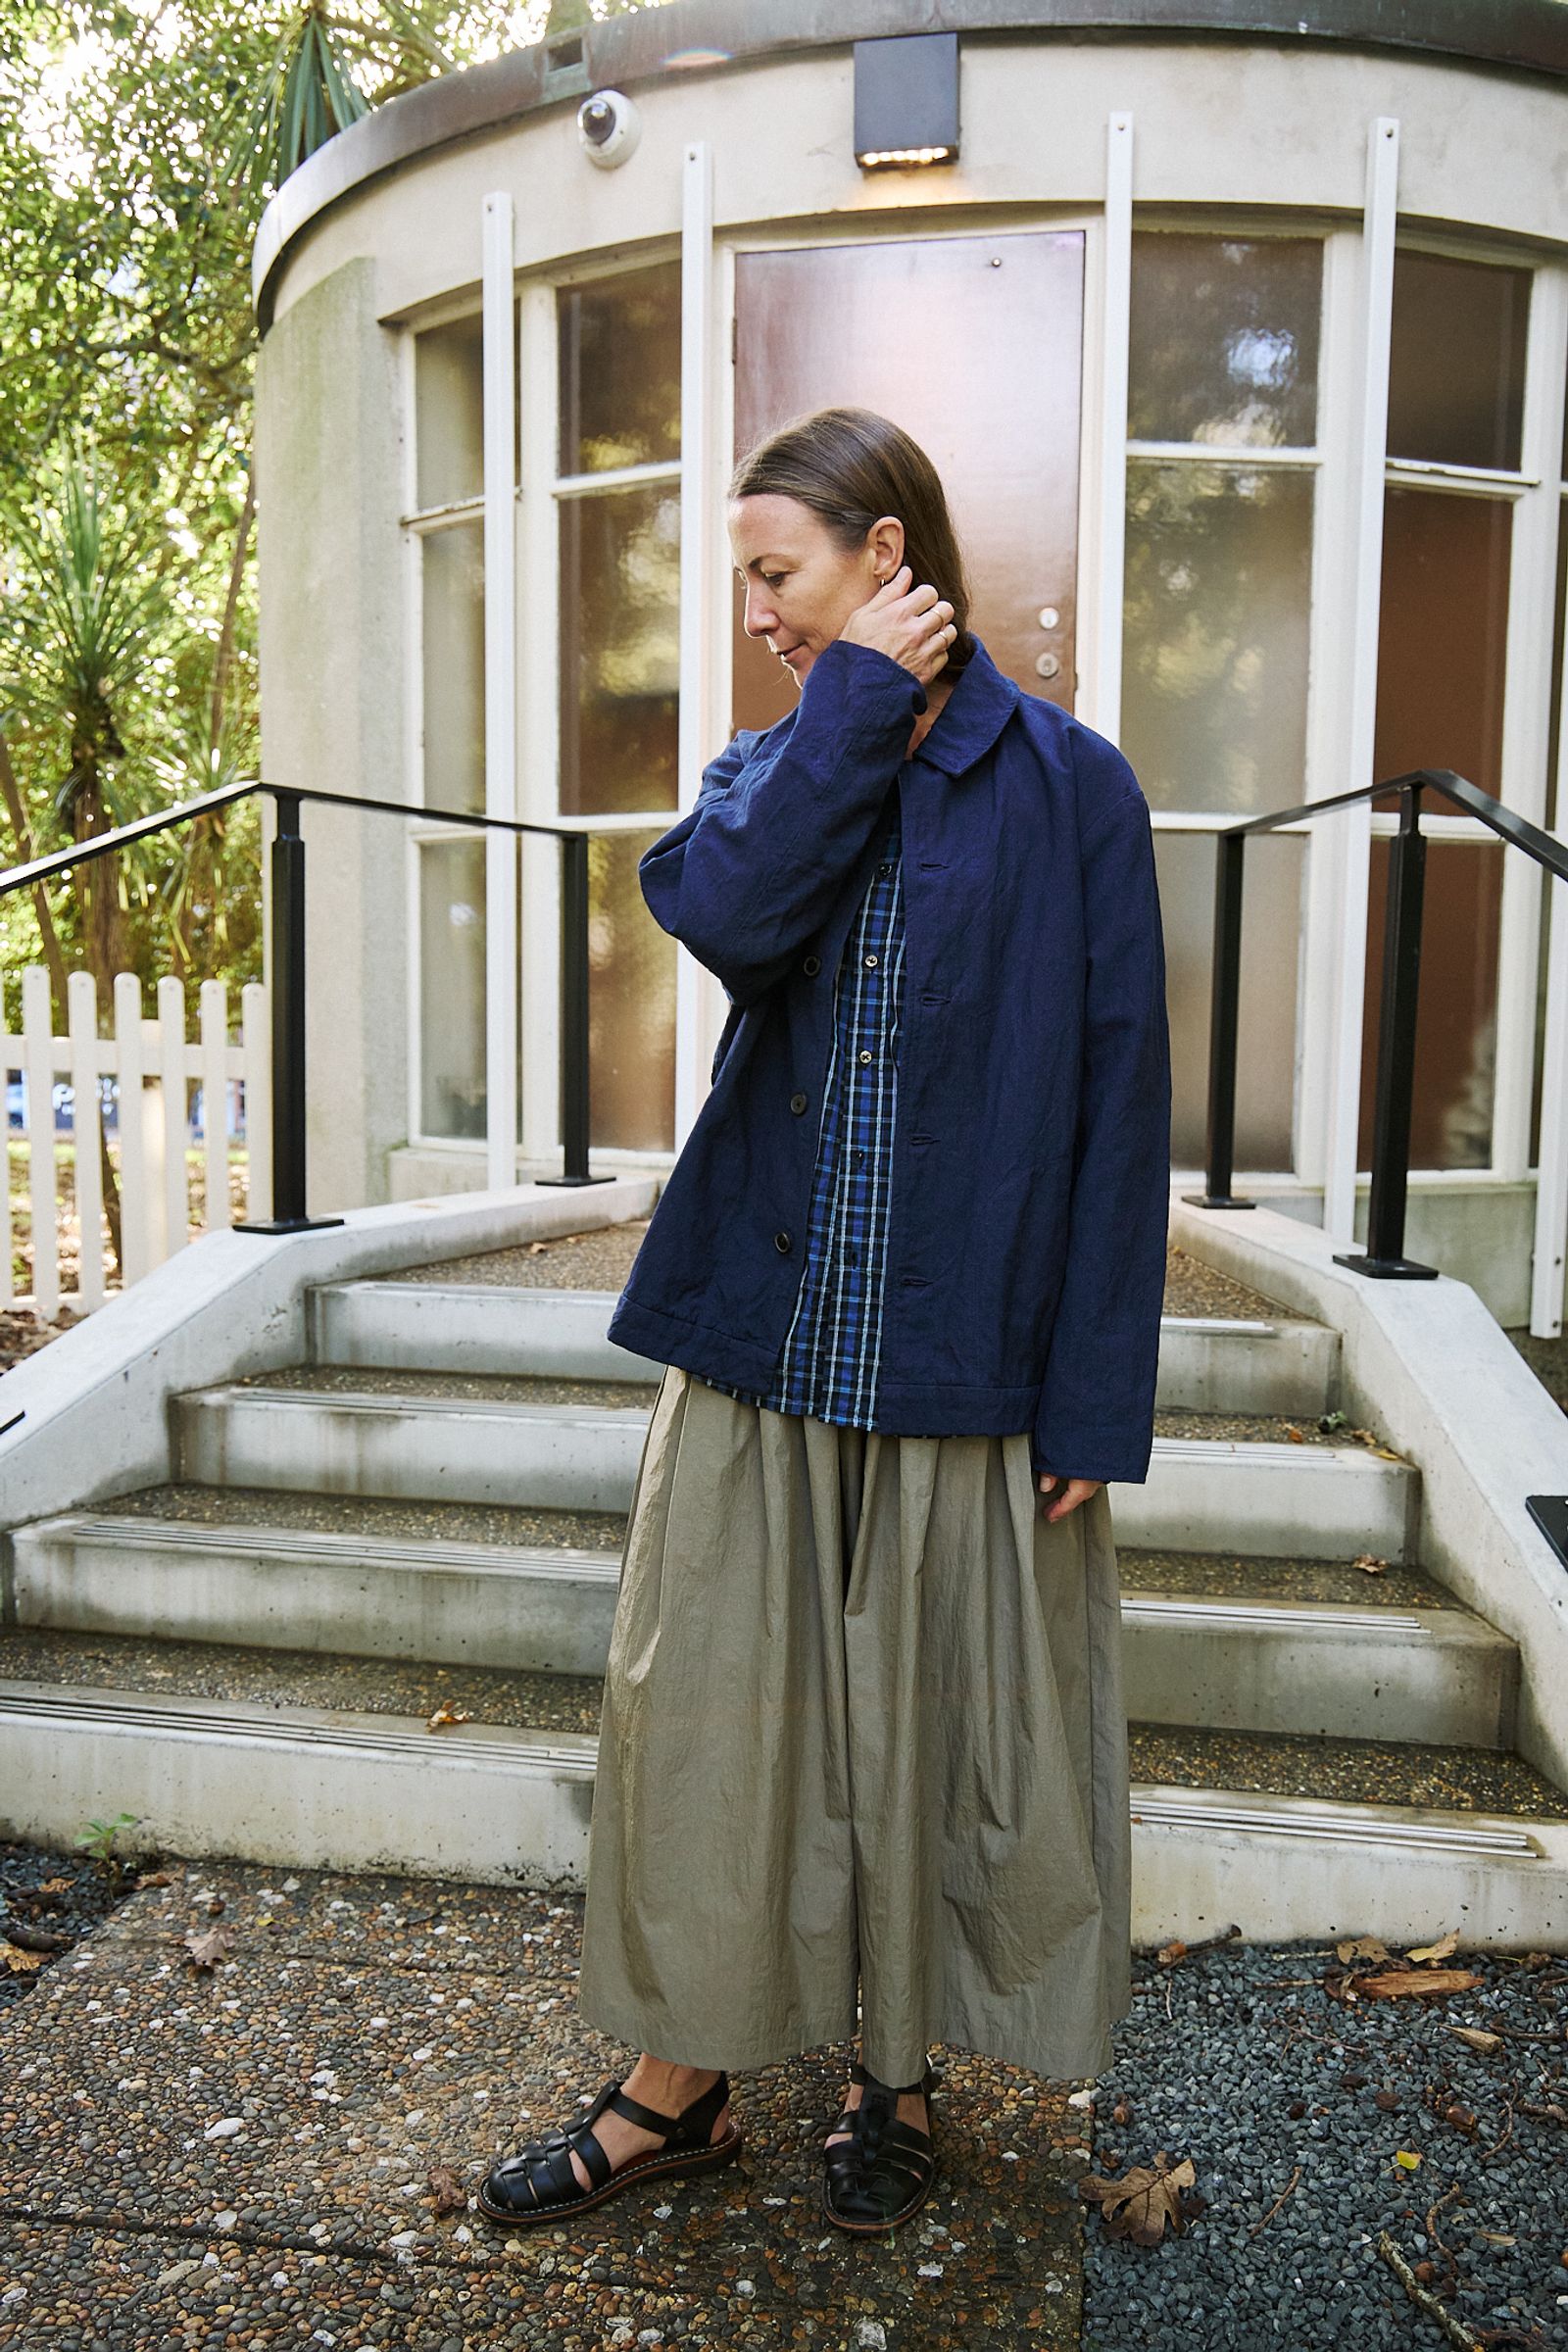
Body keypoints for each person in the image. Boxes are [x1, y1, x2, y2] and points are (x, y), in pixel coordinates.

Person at [478, 404, 1171, 2238]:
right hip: (767, 1345)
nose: (760, 614)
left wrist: (1096, 1402)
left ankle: (899, 2082)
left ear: (887, 556)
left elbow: (1120, 1106)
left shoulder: (1075, 790)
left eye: (780, 573)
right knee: (708, 1727)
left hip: (967, 1375)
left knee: (929, 1742)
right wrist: (850, 704)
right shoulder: (768, 770)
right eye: (749, 583)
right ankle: (677, 2086)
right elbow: (727, 915)